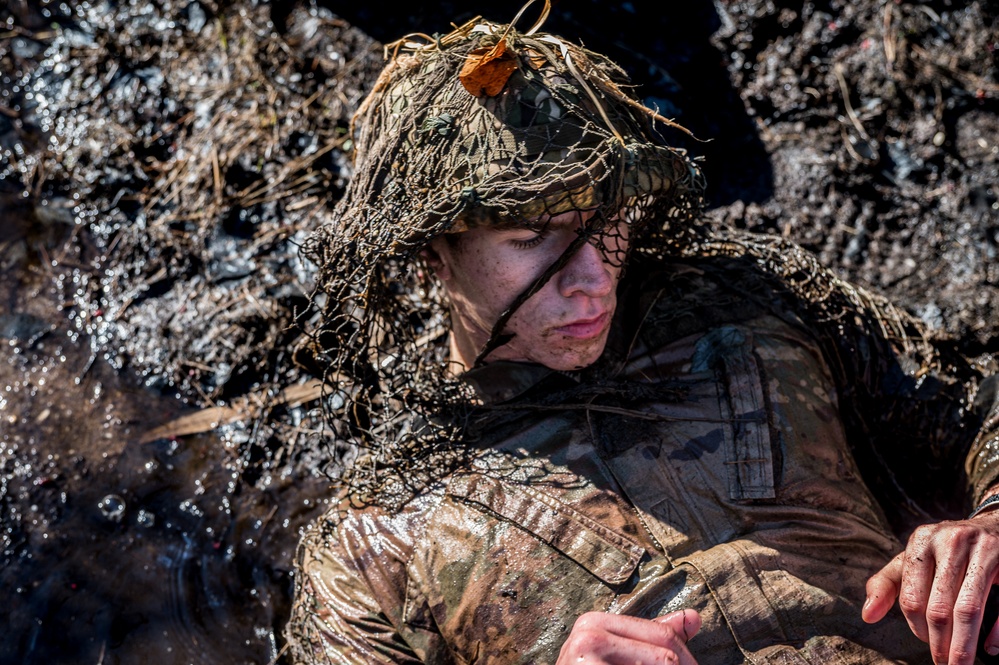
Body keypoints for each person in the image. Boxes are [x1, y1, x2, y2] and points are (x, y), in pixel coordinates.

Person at [285, 9, 999, 665]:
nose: (593, 277)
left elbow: (979, 399)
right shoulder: (375, 542)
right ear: (431, 253)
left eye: (605, 221)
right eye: (533, 236)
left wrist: (990, 524)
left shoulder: (754, 306)